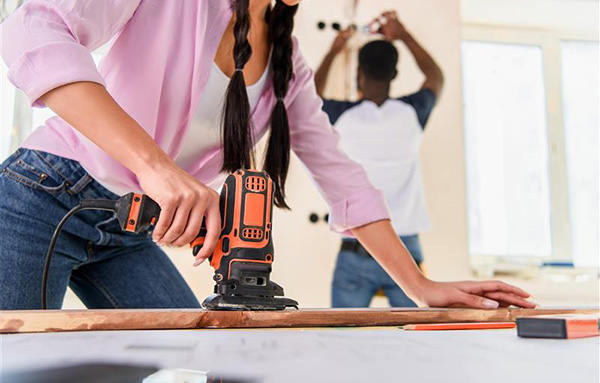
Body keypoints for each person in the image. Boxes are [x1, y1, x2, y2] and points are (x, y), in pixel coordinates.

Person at [0, 0, 534, 310]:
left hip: (128, 231)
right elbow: (29, 30)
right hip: (42, 197)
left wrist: (418, 286)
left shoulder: (288, 62)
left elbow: (342, 177)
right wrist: (156, 167)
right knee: (22, 362)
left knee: (199, 355)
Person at [315, 11, 445, 308]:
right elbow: (435, 77)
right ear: (395, 74)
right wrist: (403, 34)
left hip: (357, 244)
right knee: (413, 342)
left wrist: (334, 51)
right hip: (406, 248)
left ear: (358, 73)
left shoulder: (341, 117)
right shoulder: (412, 113)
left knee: (344, 341)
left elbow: (311, 95)